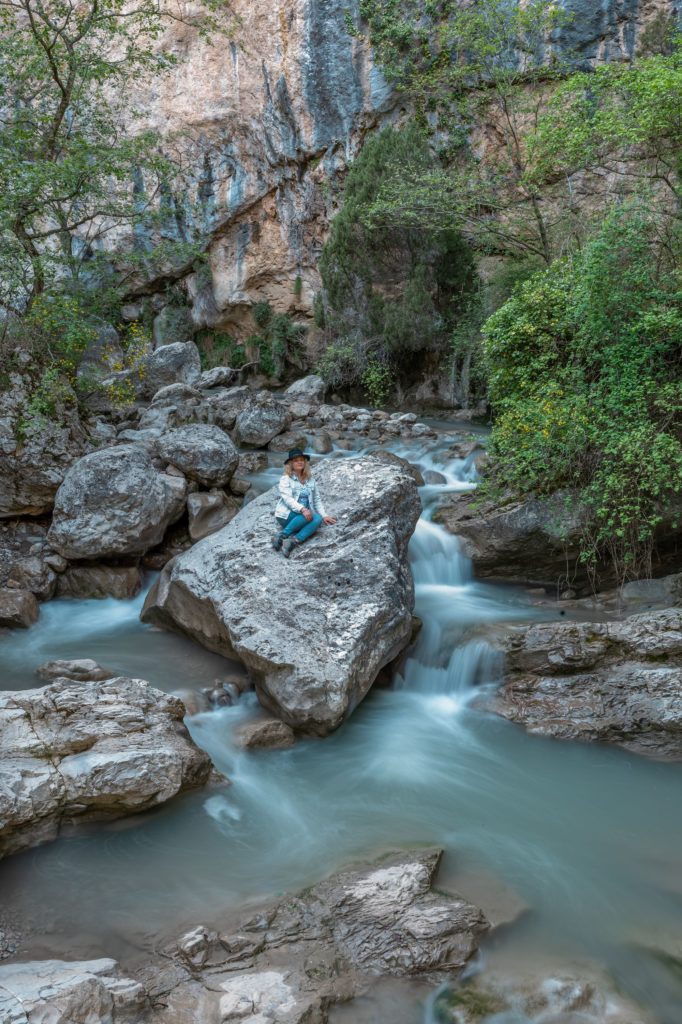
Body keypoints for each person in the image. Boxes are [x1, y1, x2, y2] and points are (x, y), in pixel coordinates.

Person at [272, 448, 337, 557]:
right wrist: (303, 509)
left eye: (301, 460)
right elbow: (288, 499)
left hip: (304, 516)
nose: (300, 462)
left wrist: (324, 515)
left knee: (318, 519)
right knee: (311, 515)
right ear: (290, 464)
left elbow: (317, 500)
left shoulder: (310, 480)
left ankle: (293, 541)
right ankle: (282, 535)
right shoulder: (285, 479)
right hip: (287, 515)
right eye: (296, 460)